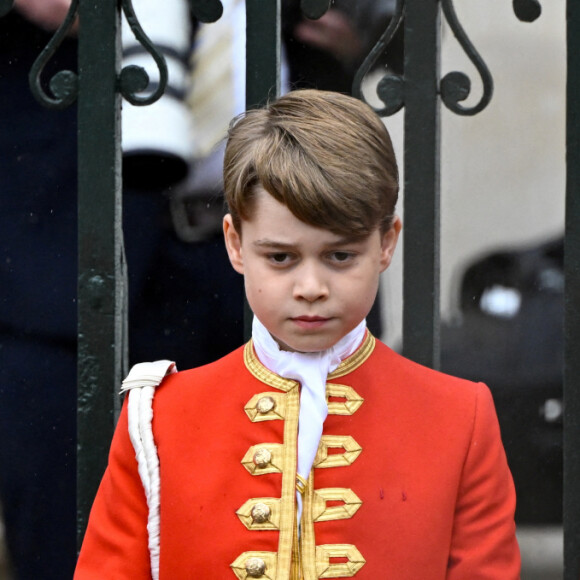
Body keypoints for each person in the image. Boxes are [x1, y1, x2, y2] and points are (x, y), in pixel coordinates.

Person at [74, 89, 520, 579]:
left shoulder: (459, 419)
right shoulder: (159, 416)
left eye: (341, 256)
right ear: (235, 244)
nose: (311, 288)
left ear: (387, 242)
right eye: (281, 257)